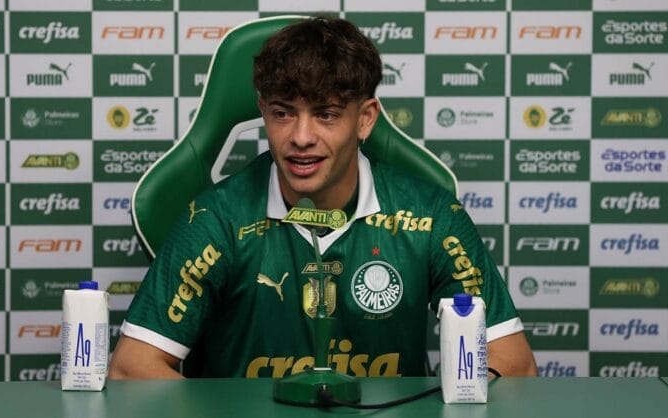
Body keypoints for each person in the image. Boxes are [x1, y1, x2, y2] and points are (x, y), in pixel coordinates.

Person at [108, 16, 537, 379]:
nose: (301, 137)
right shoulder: (214, 218)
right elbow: (132, 367)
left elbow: (513, 364)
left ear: (365, 119)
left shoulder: (431, 215)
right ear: (264, 111)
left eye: (325, 114)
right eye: (282, 113)